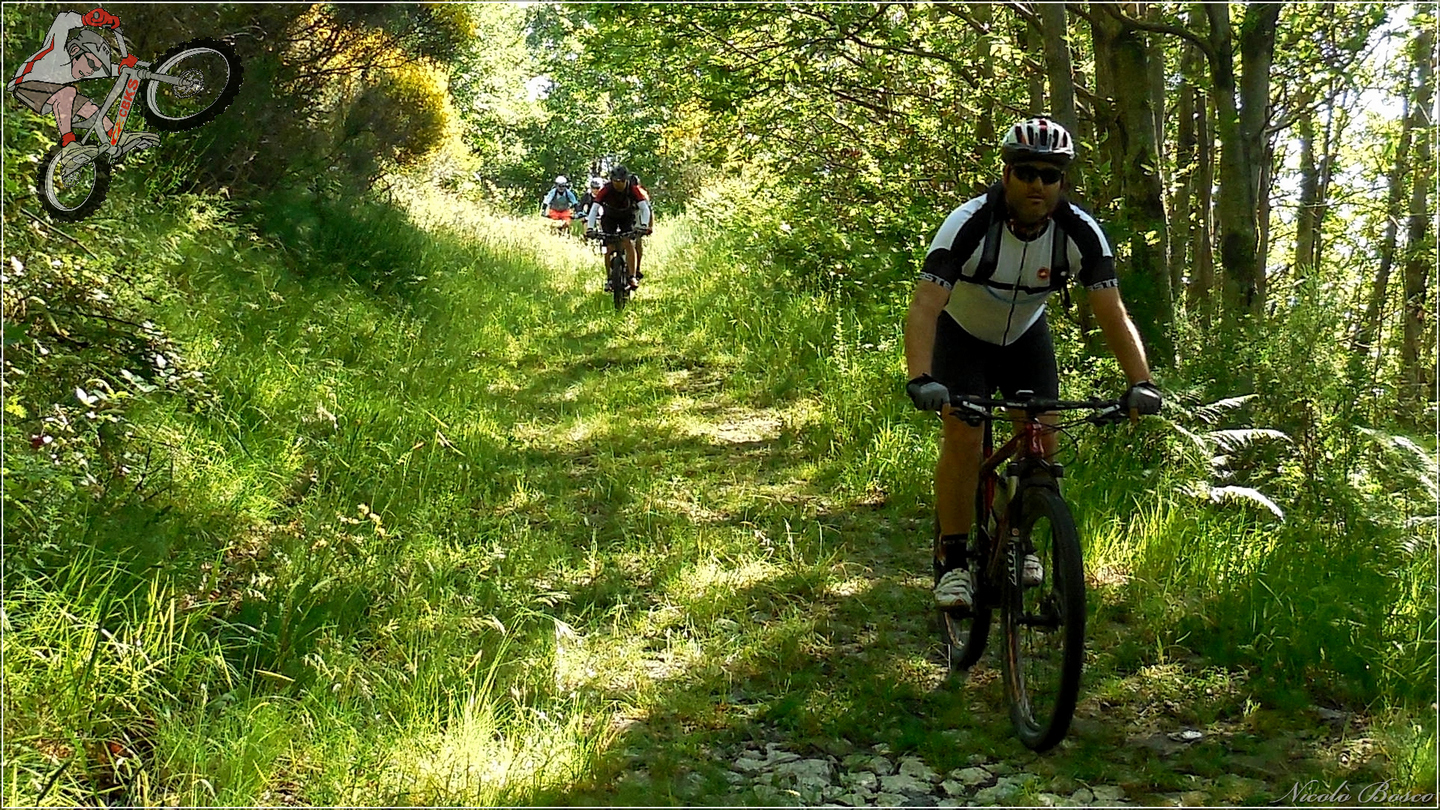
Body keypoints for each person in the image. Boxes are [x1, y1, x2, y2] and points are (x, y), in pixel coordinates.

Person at [903, 117, 1162, 610]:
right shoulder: (968, 223)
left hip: (1025, 337)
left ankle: (1021, 530)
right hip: (961, 335)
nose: (1036, 184)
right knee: (964, 436)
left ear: (1062, 181)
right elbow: (925, 306)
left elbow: (1112, 313)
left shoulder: (1080, 232)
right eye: (1025, 172)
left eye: (1049, 174)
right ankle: (953, 561)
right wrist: (921, 377)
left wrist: (1141, 383)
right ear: (1007, 175)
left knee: (1043, 438)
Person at [7, 7, 158, 162]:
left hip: (49, 93)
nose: (90, 71)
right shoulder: (57, 53)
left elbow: (105, 71)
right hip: (25, 84)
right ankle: (69, 145)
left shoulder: (82, 68)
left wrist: (123, 68)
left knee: (89, 107)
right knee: (68, 93)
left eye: (95, 68)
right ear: (75, 50)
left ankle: (117, 135)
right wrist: (85, 20)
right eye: (91, 63)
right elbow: (62, 21)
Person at [585, 165, 651, 291]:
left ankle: (632, 276)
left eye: (620, 181)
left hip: (627, 217)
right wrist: (590, 228)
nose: (617, 184)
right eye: (615, 181)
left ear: (626, 180)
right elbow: (594, 209)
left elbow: (644, 208)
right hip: (609, 218)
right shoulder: (606, 189)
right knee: (609, 246)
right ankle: (609, 279)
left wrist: (644, 225)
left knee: (628, 242)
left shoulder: (633, 189)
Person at [628, 172, 649, 280]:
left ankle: (637, 268)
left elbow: (648, 211)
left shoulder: (642, 194)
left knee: (637, 241)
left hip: (638, 216)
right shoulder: (623, 192)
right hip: (626, 216)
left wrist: (648, 226)